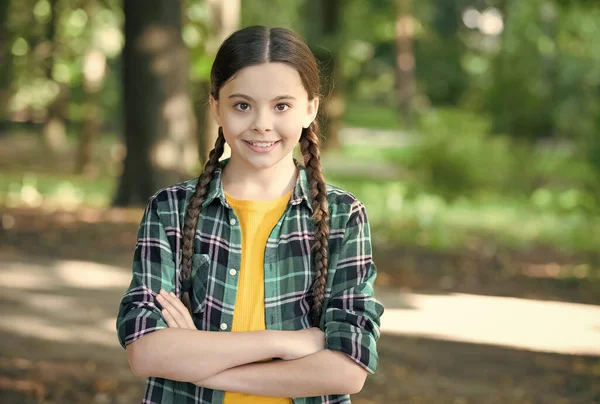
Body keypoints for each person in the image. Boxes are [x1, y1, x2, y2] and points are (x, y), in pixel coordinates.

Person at [116, 25, 384, 404]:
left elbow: (347, 369)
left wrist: (198, 357)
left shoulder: (342, 216)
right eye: (242, 105)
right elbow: (145, 352)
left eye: (281, 106)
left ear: (311, 108)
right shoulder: (170, 210)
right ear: (215, 107)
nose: (262, 123)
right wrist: (284, 343)